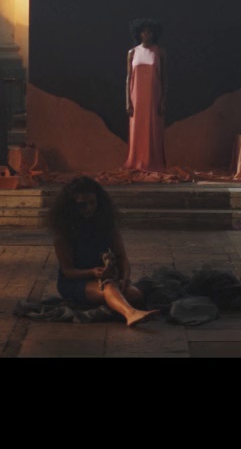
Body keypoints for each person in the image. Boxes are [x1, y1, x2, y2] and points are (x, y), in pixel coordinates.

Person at [49, 176, 159, 327]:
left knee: (136, 295)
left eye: (92, 202)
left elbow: (122, 258)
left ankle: (112, 301)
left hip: (107, 277)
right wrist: (93, 272)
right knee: (109, 286)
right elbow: (68, 271)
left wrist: (125, 278)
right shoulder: (63, 234)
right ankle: (131, 314)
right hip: (75, 282)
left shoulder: (107, 225)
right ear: (72, 206)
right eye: (82, 205)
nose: (89, 208)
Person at [124, 18, 167, 173]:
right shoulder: (132, 52)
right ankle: (135, 161)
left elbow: (164, 78)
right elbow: (128, 78)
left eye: (149, 31)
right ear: (139, 33)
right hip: (136, 97)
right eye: (144, 31)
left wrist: (163, 100)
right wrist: (128, 101)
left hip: (154, 97)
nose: (147, 34)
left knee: (154, 130)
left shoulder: (159, 52)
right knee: (137, 130)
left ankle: (153, 162)